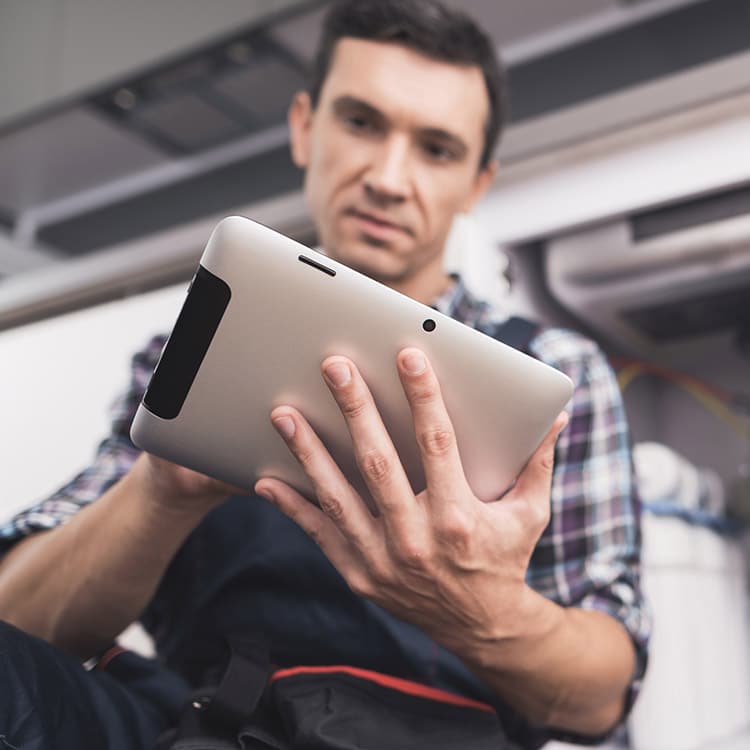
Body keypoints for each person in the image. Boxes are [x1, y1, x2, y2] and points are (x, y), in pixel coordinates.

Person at [0, 1, 649, 748]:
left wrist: (481, 611)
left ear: (477, 182)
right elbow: (20, 624)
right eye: (361, 123)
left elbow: (605, 697)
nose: (388, 177)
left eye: (437, 149)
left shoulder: (555, 373)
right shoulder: (189, 345)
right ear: (305, 127)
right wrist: (162, 489)